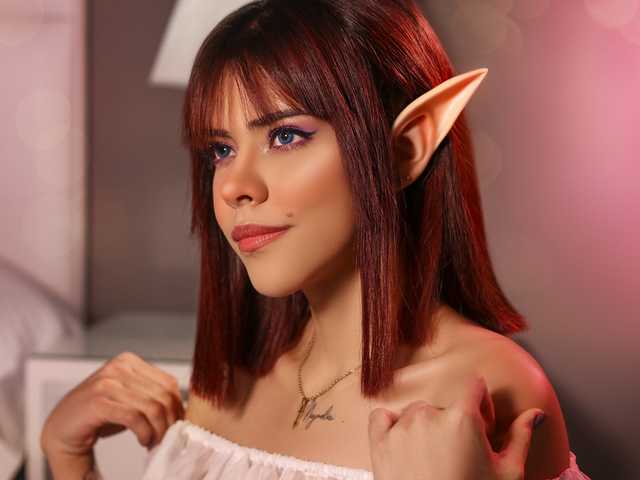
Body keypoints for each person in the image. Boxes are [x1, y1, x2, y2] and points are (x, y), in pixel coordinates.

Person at [41, 0, 592, 479]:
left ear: (405, 149)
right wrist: (69, 460)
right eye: (221, 150)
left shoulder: (490, 391)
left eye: (285, 136)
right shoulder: (228, 383)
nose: (233, 186)